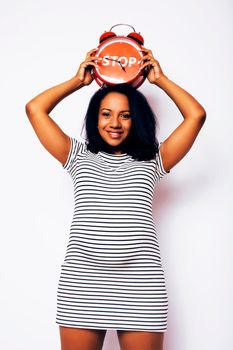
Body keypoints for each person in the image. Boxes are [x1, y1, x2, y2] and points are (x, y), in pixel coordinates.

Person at [25, 47, 206, 350]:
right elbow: (34, 109)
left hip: (141, 285)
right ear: (95, 119)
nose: (115, 123)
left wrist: (160, 80)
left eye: (126, 115)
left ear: (138, 120)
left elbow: (196, 115)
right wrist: (77, 81)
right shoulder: (77, 156)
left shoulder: (154, 159)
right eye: (106, 114)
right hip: (82, 283)